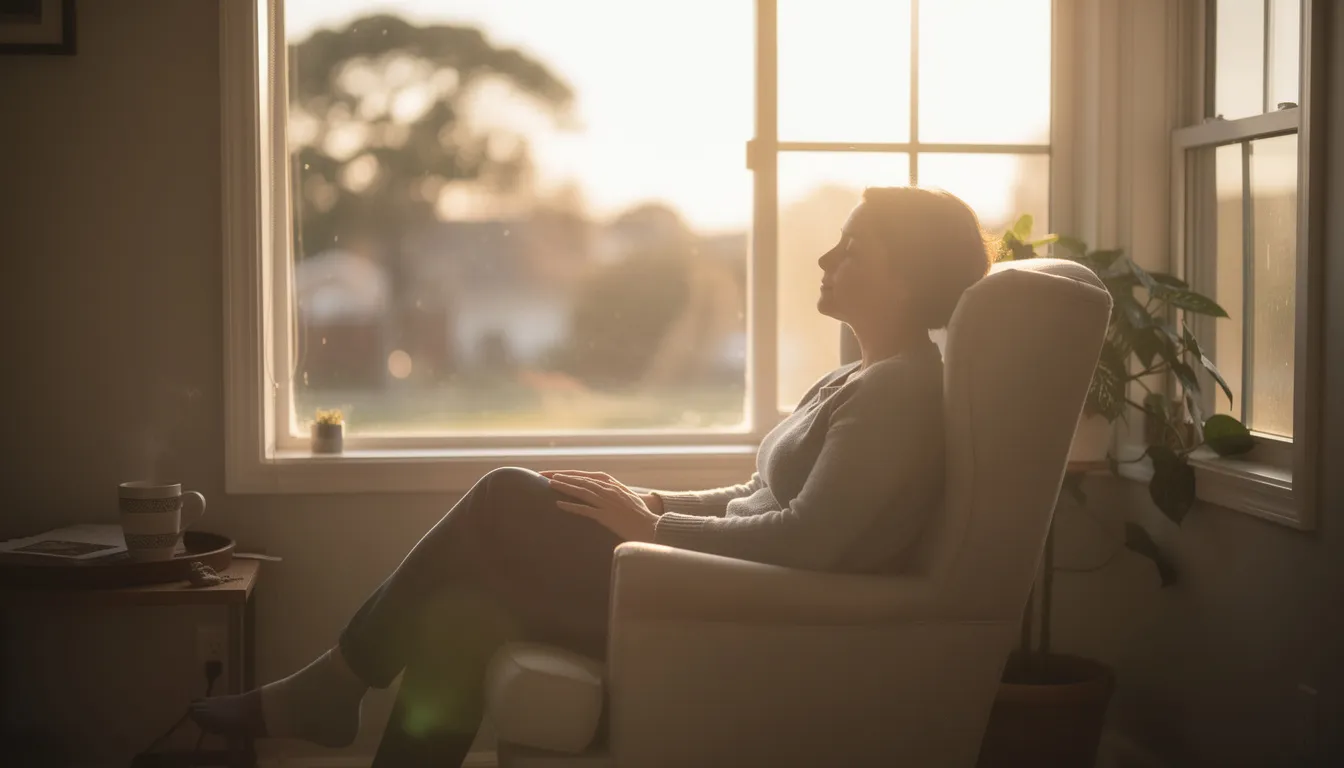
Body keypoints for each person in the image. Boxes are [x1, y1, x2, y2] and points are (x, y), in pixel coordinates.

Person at [190, 186, 994, 766]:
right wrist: (651, 498)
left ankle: (336, 682)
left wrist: (649, 529)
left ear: (908, 274)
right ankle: (335, 689)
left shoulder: (898, 392)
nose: (826, 255)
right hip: (706, 584)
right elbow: (761, 498)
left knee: (507, 491)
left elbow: (809, 541)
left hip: (727, 611)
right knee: (462, 617)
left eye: (853, 246)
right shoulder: (863, 375)